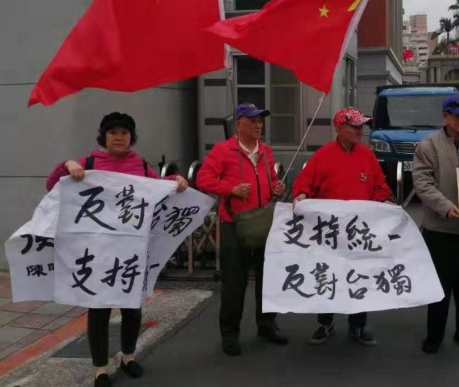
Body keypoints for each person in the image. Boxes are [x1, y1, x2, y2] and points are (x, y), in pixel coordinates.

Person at [46, 112, 188, 387]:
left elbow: (159, 188)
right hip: (97, 251)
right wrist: (66, 165)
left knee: (132, 307)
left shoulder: (141, 165)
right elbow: (53, 186)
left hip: (132, 251)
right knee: (99, 308)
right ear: (104, 136)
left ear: (131, 137)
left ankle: (128, 356)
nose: (119, 137)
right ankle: (100, 368)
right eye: (113, 132)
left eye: (124, 132)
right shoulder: (88, 163)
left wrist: (177, 180)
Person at [293, 107, 393, 347]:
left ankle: (357, 325)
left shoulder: (367, 155)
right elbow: (304, 183)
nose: (360, 130)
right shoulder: (322, 156)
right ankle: (325, 323)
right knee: (327, 276)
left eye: (361, 125)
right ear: (339, 128)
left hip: (359, 232)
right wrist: (302, 194)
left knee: (359, 277)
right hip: (329, 233)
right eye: (354, 126)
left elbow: (380, 187)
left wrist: (384, 200)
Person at [196, 103, 287, 356]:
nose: (258, 125)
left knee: (268, 280)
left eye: (260, 121)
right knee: (234, 283)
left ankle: (267, 325)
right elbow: (203, 179)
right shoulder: (223, 150)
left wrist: (277, 187)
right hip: (234, 224)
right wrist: (231, 189)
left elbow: (271, 181)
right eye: (252, 121)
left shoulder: (265, 151)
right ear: (238, 124)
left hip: (263, 222)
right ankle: (230, 333)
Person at [412, 94, 459, 354]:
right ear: (446, 117)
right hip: (440, 230)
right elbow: (423, 183)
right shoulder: (428, 146)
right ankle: (434, 336)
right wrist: (445, 207)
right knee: (439, 288)